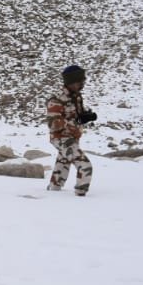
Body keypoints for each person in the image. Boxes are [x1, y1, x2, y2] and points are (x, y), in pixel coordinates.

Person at [46, 64, 95, 196]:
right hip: (61, 138)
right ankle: (80, 194)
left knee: (63, 162)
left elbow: (74, 114)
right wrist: (76, 122)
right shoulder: (57, 99)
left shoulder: (77, 97)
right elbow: (53, 124)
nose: (83, 83)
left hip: (73, 137)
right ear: (72, 82)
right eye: (80, 81)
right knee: (84, 166)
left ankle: (53, 189)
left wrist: (85, 116)